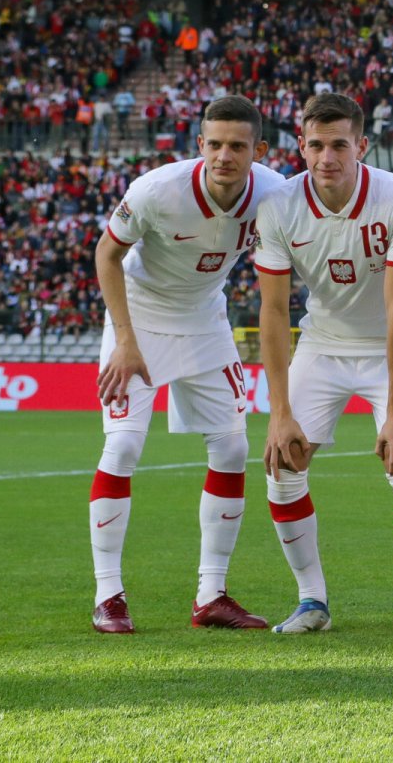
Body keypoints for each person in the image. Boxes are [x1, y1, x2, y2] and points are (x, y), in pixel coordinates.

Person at [90, 95, 284, 634]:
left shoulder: (275, 194)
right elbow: (107, 254)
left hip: (204, 319)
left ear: (258, 150)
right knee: (123, 446)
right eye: (214, 144)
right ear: (200, 144)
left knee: (233, 448)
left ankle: (211, 595)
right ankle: (108, 596)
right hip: (139, 319)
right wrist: (125, 341)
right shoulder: (156, 190)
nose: (224, 155)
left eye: (237, 146)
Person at [254, 92, 393, 636]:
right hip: (324, 343)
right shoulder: (279, 206)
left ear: (362, 146)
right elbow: (272, 310)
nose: (326, 157)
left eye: (339, 145)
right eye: (316, 145)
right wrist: (279, 412)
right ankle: (312, 600)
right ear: (301, 146)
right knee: (283, 463)